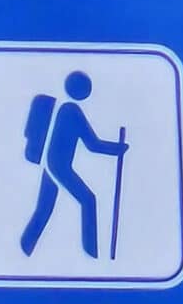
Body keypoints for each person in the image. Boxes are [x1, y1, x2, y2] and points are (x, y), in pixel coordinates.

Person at [20, 71, 124, 259]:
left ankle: (24, 249)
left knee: (44, 209)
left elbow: (91, 145)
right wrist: (118, 149)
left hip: (50, 165)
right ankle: (91, 254)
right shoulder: (71, 111)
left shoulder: (65, 109)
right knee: (88, 200)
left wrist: (117, 149)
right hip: (58, 167)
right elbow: (93, 145)